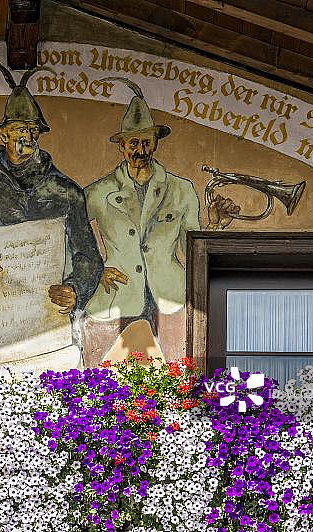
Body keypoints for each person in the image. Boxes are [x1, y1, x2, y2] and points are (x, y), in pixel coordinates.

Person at [0, 59, 103, 386]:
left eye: (33, 130)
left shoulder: (66, 192)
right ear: (3, 135)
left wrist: (75, 290)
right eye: (19, 130)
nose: (27, 137)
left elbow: (88, 256)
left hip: (49, 319)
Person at [82, 78, 238, 367]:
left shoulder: (181, 190)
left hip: (169, 294)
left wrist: (215, 227)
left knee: (182, 370)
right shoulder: (98, 192)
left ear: (155, 143)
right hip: (116, 293)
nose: (140, 150)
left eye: (146, 142)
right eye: (133, 143)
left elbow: (192, 249)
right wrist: (95, 272)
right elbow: (73, 238)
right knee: (94, 373)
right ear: (122, 146)